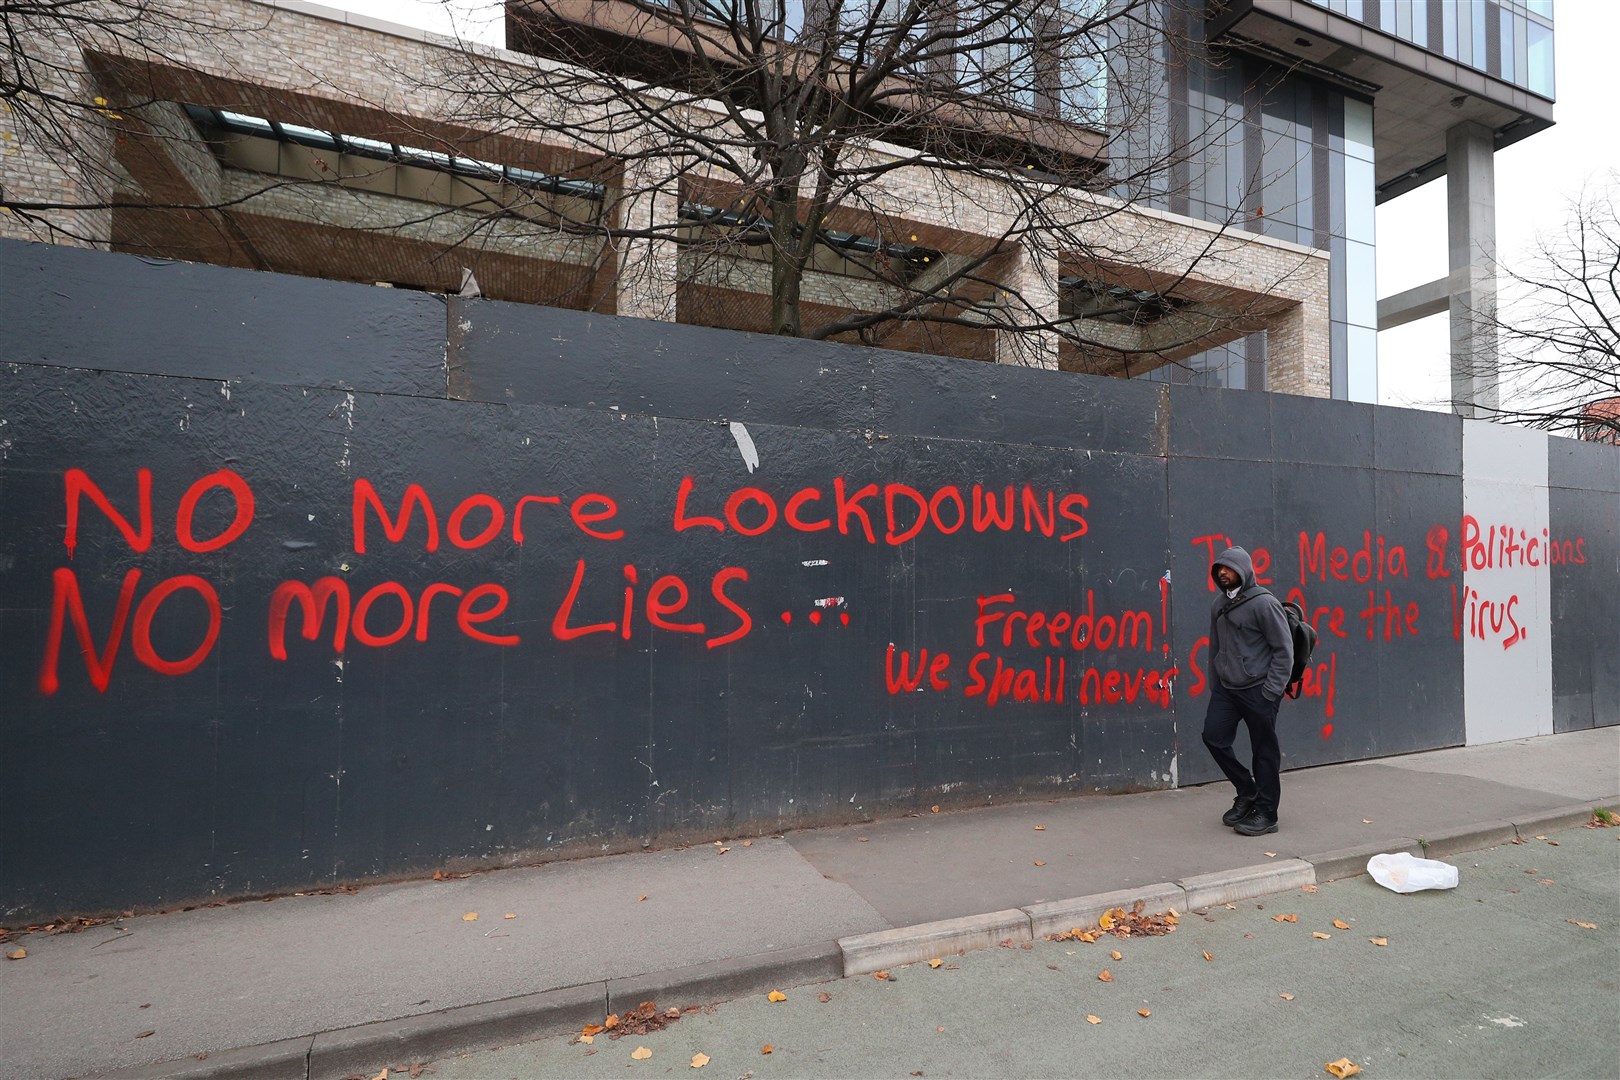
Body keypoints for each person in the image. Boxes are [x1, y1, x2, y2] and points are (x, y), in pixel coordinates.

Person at [1203, 545, 1293, 836]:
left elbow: (1284, 650)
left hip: (1259, 689)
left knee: (1263, 752)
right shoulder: (1218, 604)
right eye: (1220, 569)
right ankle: (1247, 789)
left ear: (1244, 571)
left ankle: (1267, 814)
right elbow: (1215, 648)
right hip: (1227, 689)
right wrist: (1215, 684)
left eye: (1229, 568)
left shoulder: (1264, 603)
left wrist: (1271, 691)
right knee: (1213, 737)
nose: (1224, 573)